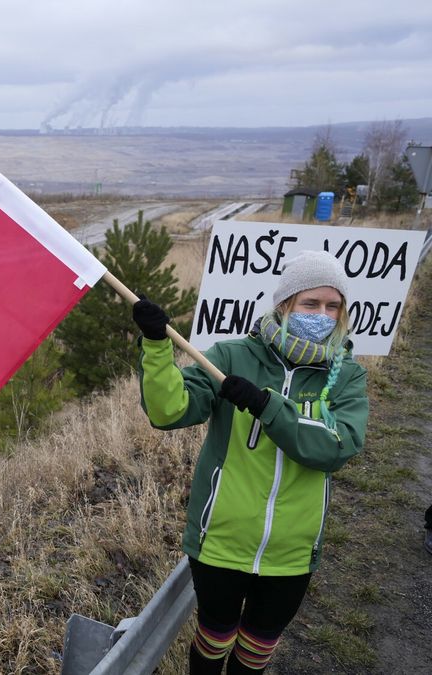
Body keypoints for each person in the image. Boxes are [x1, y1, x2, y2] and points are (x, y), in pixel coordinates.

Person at [132, 250, 368, 675]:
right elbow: (168, 411)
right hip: (221, 541)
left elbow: (337, 447)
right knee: (213, 639)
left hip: (292, 552)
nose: (322, 314)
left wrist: (268, 407)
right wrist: (155, 347)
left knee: (256, 650)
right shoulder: (230, 358)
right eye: (310, 303)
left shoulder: (346, 376)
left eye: (333, 306)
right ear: (285, 305)